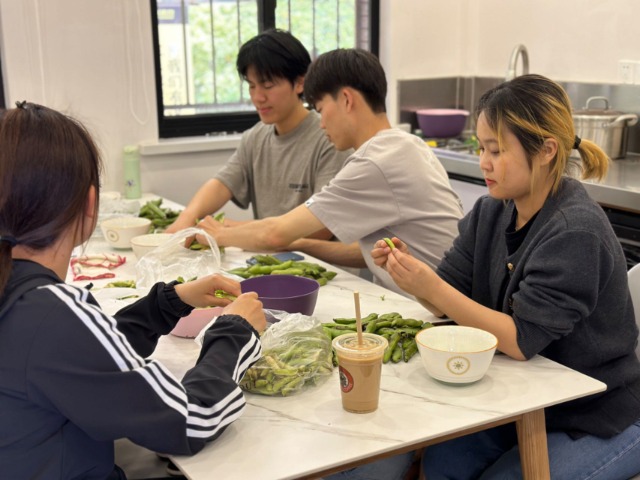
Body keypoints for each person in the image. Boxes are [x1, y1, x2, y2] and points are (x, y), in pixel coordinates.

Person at [371, 74, 640, 479]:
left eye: (496, 150)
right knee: (441, 463)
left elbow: (519, 340)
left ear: (547, 150)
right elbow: (448, 290)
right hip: (525, 398)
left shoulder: (574, 231)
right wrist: (413, 276)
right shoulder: (492, 210)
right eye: (481, 148)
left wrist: (431, 287)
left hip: (596, 413)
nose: (483, 162)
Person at [0, 102, 267, 479]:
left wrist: (166, 304)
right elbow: (194, 420)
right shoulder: (49, 313)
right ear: (91, 205)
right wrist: (235, 333)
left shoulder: (25, 301)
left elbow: (85, 363)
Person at [197, 48, 464, 296]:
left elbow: (275, 233)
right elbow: (374, 253)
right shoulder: (403, 144)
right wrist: (300, 244)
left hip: (443, 314)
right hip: (443, 300)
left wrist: (218, 235)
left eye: (322, 110)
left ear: (346, 99)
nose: (322, 123)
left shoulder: (374, 162)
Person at [166, 29, 348, 234]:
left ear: (299, 83)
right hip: (269, 257)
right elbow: (221, 184)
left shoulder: (329, 138)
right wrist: (186, 220)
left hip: (316, 263)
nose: (257, 97)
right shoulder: (255, 138)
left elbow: (321, 229)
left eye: (268, 85)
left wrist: (230, 229)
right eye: (251, 86)